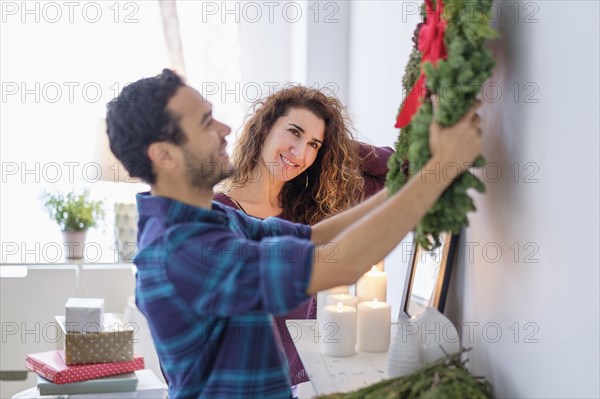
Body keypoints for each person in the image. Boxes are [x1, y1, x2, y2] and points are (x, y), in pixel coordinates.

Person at [105, 69, 481, 399]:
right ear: (164, 155)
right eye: (206, 123)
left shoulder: (207, 217)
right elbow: (341, 263)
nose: (225, 129)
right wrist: (441, 168)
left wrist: (420, 175)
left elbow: (315, 238)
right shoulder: (183, 249)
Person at [213, 86, 393, 390]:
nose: (300, 153)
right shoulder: (221, 213)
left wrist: (335, 145)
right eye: (293, 132)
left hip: (301, 382)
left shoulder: (310, 207)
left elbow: (396, 171)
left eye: (313, 144)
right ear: (265, 127)